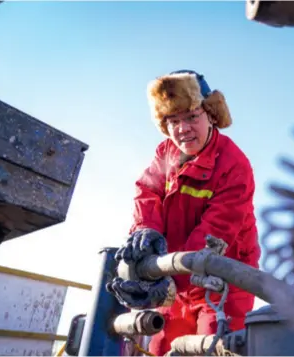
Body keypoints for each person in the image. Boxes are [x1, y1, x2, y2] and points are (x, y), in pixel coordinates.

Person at [107, 69, 261, 355]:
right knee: (162, 346)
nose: (183, 128)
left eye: (192, 116)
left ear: (211, 115)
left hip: (223, 283)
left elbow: (215, 232)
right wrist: (146, 229)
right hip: (174, 277)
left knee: (215, 347)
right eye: (173, 120)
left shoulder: (234, 164)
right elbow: (147, 190)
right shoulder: (165, 152)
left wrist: (162, 278)